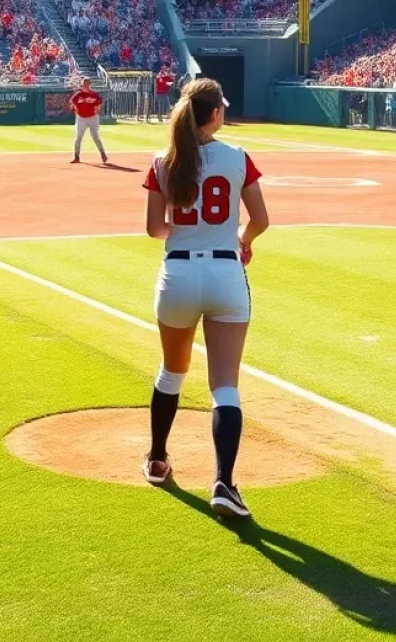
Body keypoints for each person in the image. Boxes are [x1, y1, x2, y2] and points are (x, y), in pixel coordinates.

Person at [140, 78, 269, 518]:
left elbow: (155, 229)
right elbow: (261, 219)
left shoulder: (163, 160)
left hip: (177, 272)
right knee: (225, 386)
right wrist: (242, 238)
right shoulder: (237, 157)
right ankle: (224, 484)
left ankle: (157, 460)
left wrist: (186, 230)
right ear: (214, 113)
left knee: (171, 373)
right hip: (224, 272)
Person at [69, 77, 108, 165]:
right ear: (82, 85)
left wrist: (97, 109)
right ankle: (76, 156)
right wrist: (75, 111)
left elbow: (99, 104)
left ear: (90, 84)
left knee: (95, 135)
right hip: (81, 118)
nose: (86, 85)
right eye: (85, 83)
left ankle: (103, 154)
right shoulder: (77, 95)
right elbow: (71, 103)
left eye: (88, 83)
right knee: (78, 137)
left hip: (93, 117)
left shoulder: (94, 95)